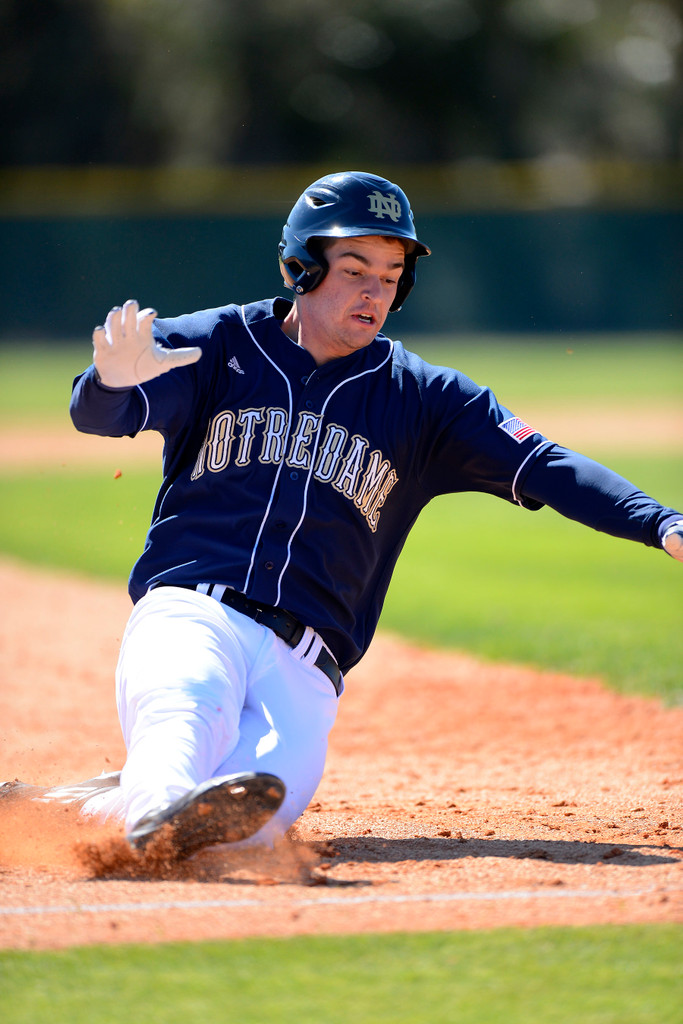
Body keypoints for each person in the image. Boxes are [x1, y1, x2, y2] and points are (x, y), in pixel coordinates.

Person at [29, 171, 683, 858]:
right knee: (184, 704)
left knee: (246, 826)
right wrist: (107, 384)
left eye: (392, 273)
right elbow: (98, 417)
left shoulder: (426, 399)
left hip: (306, 667)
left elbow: (545, 466)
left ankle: (96, 807)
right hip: (194, 613)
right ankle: (150, 798)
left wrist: (660, 521)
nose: (375, 291)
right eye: (354, 269)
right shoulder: (219, 345)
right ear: (301, 267)